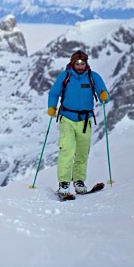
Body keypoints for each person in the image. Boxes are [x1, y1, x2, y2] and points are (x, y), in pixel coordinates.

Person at [47, 50, 110, 196]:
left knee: (82, 153)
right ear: (72, 63)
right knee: (67, 150)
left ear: (86, 63)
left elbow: (102, 92)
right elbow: (54, 93)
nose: (80, 66)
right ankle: (64, 183)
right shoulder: (66, 76)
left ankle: (79, 181)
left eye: (83, 63)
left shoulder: (93, 77)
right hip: (67, 118)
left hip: (85, 120)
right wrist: (52, 106)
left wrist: (104, 95)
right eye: (77, 63)